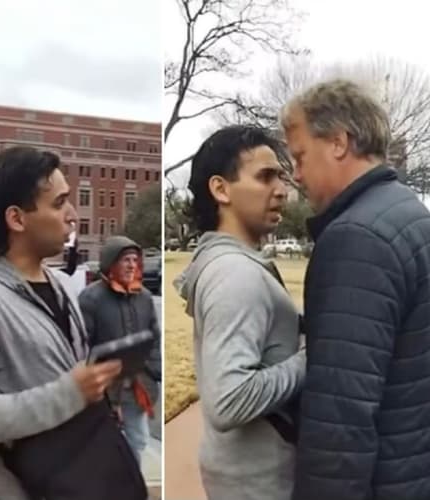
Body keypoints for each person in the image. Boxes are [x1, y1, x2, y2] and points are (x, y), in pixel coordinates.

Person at [0, 146, 138, 499]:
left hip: (75, 479)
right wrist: (69, 393)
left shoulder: (58, 284)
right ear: (16, 218)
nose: (72, 215)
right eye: (58, 203)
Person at [282, 79, 430, 500]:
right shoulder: (411, 214)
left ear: (338, 143)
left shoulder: (356, 238)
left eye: (299, 156)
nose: (296, 175)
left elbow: (340, 416)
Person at [173, 125, 305, 500]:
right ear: (221, 189)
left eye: (280, 176)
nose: (281, 189)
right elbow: (228, 401)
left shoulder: (234, 264)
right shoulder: (235, 274)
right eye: (265, 177)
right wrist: (314, 359)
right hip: (257, 484)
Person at [78, 235, 161, 465]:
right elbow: (82, 345)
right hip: (104, 390)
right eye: (126, 259)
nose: (132, 265)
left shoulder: (144, 297)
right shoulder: (91, 298)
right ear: (111, 263)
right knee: (104, 444)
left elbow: (154, 337)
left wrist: (155, 370)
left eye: (135, 260)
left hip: (138, 386)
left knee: (138, 441)